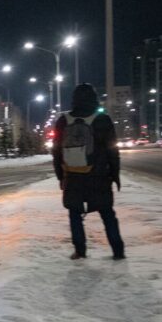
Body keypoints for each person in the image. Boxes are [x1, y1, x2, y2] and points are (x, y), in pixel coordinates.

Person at [51, 83, 126, 260]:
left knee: (74, 213)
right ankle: (118, 251)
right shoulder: (103, 120)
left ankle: (80, 251)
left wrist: (60, 176)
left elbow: (56, 151)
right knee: (107, 213)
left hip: (73, 174)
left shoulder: (63, 121)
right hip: (98, 175)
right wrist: (115, 175)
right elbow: (112, 151)